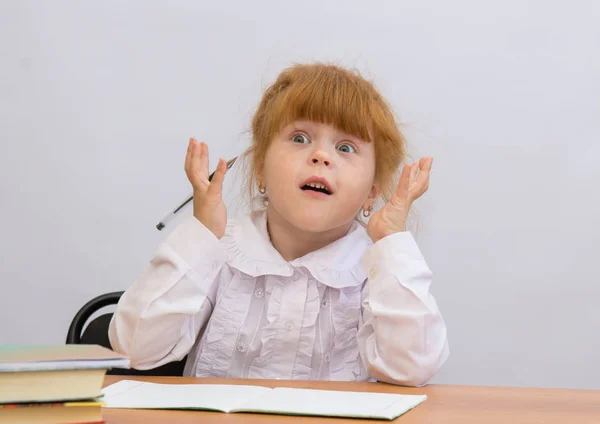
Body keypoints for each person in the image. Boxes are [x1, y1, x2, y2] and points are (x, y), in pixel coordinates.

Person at [109, 63, 449, 386]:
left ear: (372, 192)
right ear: (260, 168)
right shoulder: (221, 248)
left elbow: (412, 368)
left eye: (346, 147)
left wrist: (391, 245)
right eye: (300, 138)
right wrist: (201, 234)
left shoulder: (375, 267)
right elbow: (134, 350)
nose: (321, 156)